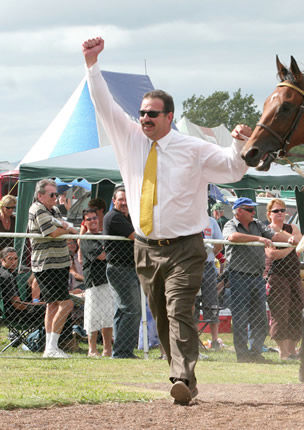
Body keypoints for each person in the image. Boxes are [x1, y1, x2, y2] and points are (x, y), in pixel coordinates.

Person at [83, 36, 251, 405]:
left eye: (152, 113)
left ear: (169, 117)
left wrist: (240, 144)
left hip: (185, 247)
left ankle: (181, 376)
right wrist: (91, 65)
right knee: (161, 316)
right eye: (142, 113)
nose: (144, 118)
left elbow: (234, 169)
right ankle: (186, 380)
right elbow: (103, 104)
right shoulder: (129, 139)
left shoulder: (192, 148)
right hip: (145, 248)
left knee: (179, 309)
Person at [222, 197, 297, 363]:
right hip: (238, 275)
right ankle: (242, 355)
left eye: (253, 210)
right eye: (249, 210)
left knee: (260, 318)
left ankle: (255, 353)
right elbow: (232, 237)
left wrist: (290, 239)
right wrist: (258, 239)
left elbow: (274, 236)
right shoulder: (230, 224)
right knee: (240, 317)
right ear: (239, 211)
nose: (253, 213)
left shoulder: (257, 224)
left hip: (257, 276)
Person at [27, 179, 78, 358]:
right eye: (52, 195)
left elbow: (61, 227)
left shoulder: (54, 210)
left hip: (61, 263)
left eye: (56, 194)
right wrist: (66, 228)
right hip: (47, 264)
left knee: (53, 305)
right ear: (40, 195)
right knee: (67, 303)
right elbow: (52, 232)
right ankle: (50, 348)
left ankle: (51, 348)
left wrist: (63, 227)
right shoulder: (37, 209)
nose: (55, 198)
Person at [103, 187, 140, 359]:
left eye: (127, 200)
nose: (124, 203)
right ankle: (123, 351)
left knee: (123, 310)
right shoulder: (114, 217)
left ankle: (121, 350)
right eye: (121, 200)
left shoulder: (128, 217)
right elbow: (136, 236)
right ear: (114, 200)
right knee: (131, 309)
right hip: (120, 269)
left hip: (128, 268)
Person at [264, 198, 304, 360]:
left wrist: (290, 243)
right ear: (269, 214)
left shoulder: (292, 227)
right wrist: (291, 247)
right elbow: (272, 254)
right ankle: (283, 352)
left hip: (294, 274)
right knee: (280, 313)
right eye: (276, 211)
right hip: (277, 275)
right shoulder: (267, 230)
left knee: (297, 310)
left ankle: (292, 350)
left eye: (282, 210)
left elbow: (301, 241)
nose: (280, 213)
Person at [80, 209, 114, 357]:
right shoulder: (86, 238)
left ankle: (107, 349)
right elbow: (101, 255)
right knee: (92, 317)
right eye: (89, 219)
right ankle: (92, 349)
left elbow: (108, 252)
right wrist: (111, 251)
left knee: (107, 317)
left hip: (107, 281)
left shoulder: (102, 235)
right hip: (93, 282)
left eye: (95, 218)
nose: (93, 221)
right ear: (84, 223)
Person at [194, 215, 224, 350]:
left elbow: (220, 244)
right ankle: (194, 340)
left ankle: (215, 340)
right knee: (192, 302)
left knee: (212, 303)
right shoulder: (189, 218)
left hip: (209, 264)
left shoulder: (211, 221)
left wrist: (210, 249)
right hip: (192, 265)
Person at [0, 246, 46, 327]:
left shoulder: (3, 272)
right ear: (2, 260)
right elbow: (18, 305)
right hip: (18, 315)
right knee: (55, 308)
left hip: (8, 314)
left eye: (15, 258)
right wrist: (39, 304)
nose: (14, 262)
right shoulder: (7, 276)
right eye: (10, 259)